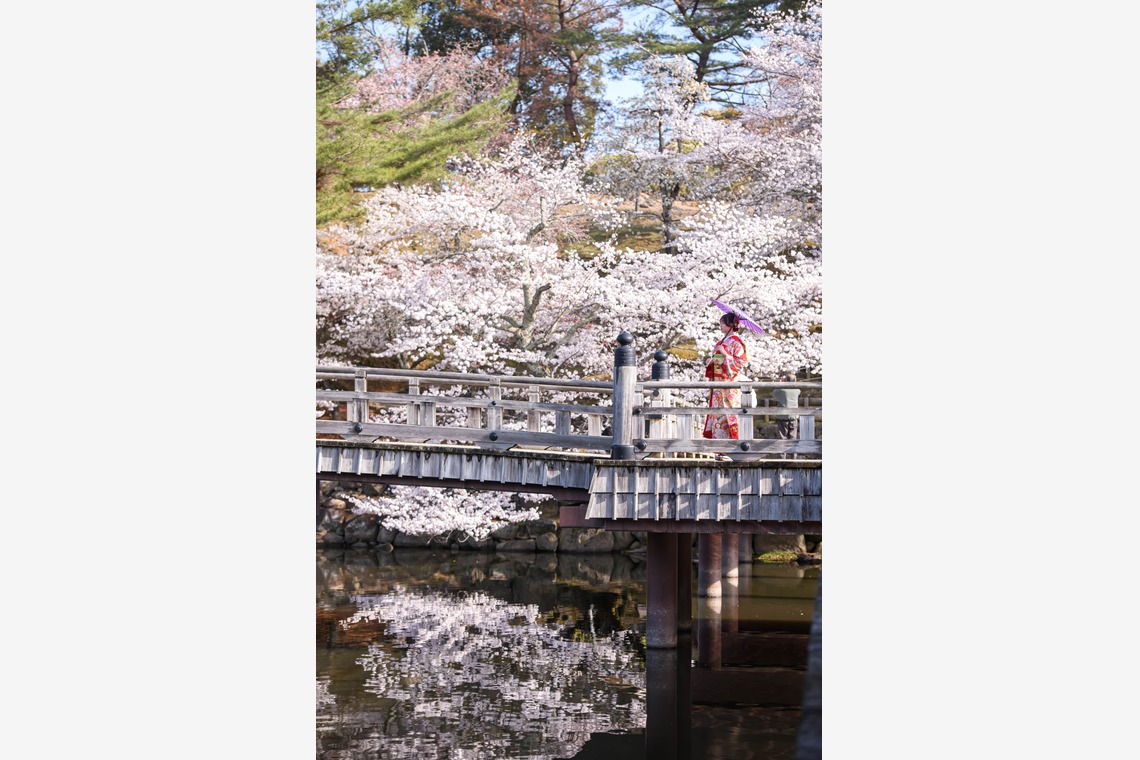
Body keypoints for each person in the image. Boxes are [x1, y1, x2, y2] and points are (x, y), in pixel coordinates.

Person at [702, 312, 749, 441]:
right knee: (717, 416)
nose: (721, 326)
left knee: (729, 414)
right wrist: (710, 362)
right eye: (720, 323)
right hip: (717, 384)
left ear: (731, 324)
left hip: (729, 385)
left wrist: (725, 355)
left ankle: (731, 448)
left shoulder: (737, 343)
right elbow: (716, 361)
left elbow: (740, 363)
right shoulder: (720, 342)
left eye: (723, 323)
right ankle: (719, 449)